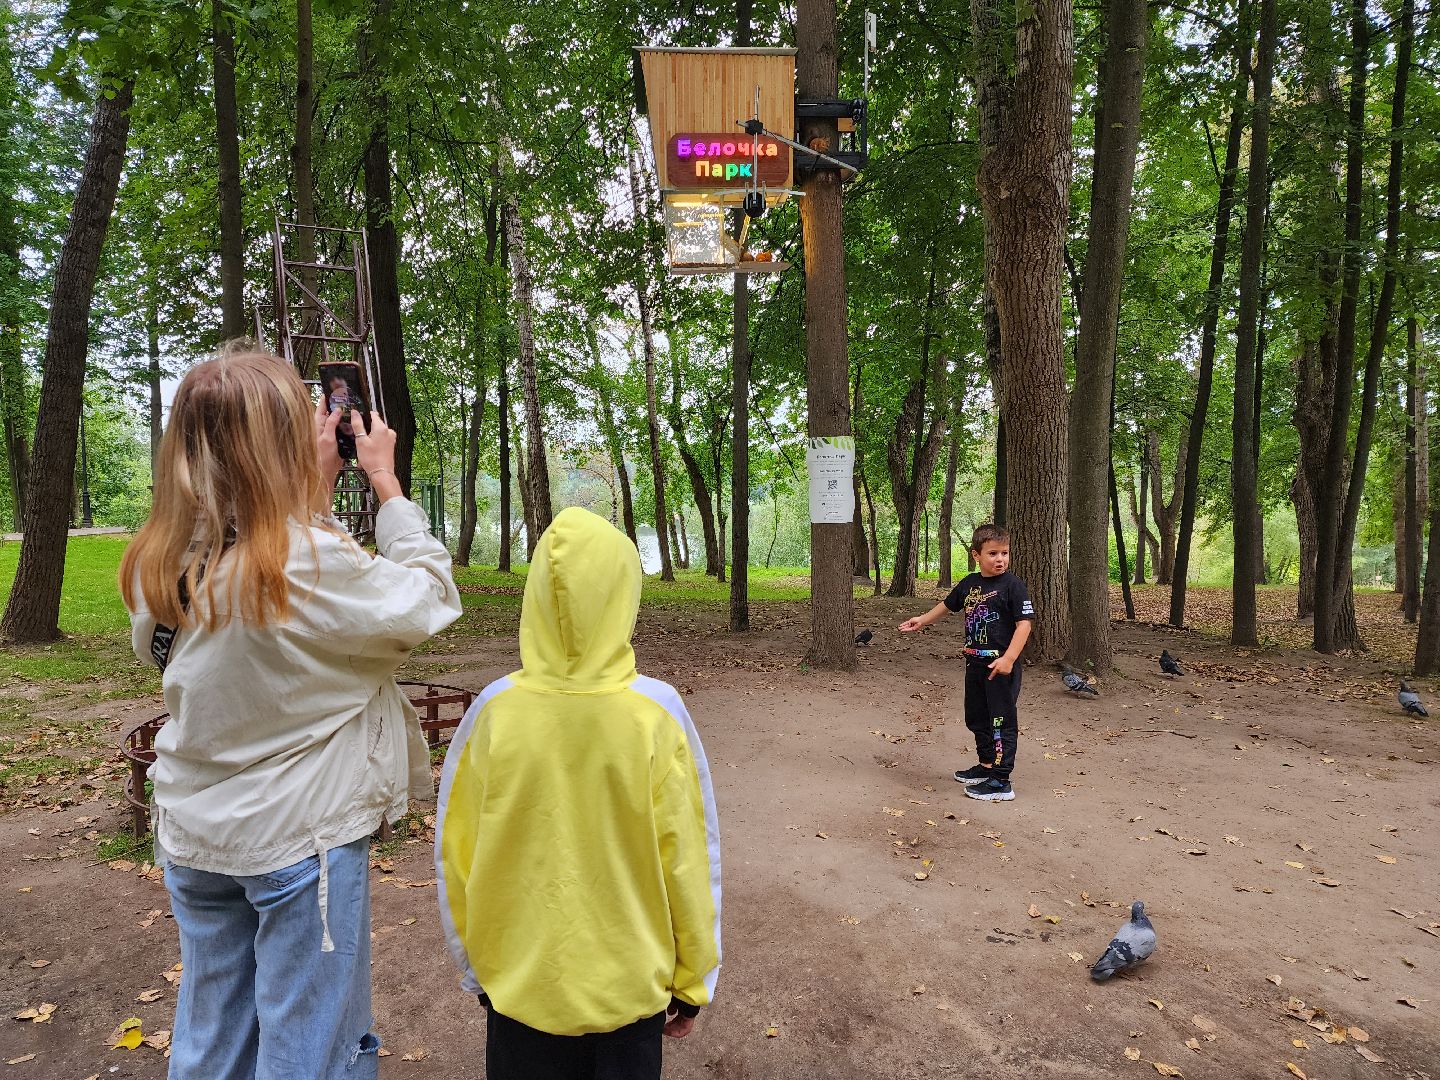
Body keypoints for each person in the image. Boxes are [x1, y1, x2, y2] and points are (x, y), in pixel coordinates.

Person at [119, 347, 463, 1078]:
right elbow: (427, 597)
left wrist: (302, 496)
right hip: (298, 845)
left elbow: (257, 568)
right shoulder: (309, 566)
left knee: (215, 1036)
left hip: (196, 834)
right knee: (311, 1048)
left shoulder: (161, 560)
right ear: (276, 446)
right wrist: (383, 480)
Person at [435, 507, 721, 1080]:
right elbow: (689, 854)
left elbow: (456, 855)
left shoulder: (493, 711)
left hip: (519, 991)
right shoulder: (656, 714)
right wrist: (693, 981)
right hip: (628, 997)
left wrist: (477, 968)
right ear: (624, 593)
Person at [898, 523, 1033, 802]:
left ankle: (1000, 780)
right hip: (974, 664)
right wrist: (921, 621)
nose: (1000, 559)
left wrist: (1009, 659)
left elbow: (1024, 626)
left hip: (1000, 667)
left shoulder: (1013, 586)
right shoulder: (970, 584)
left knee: (1000, 721)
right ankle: (986, 766)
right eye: (993, 553)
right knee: (976, 717)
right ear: (976, 555)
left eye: (1005, 553)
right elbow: (947, 605)